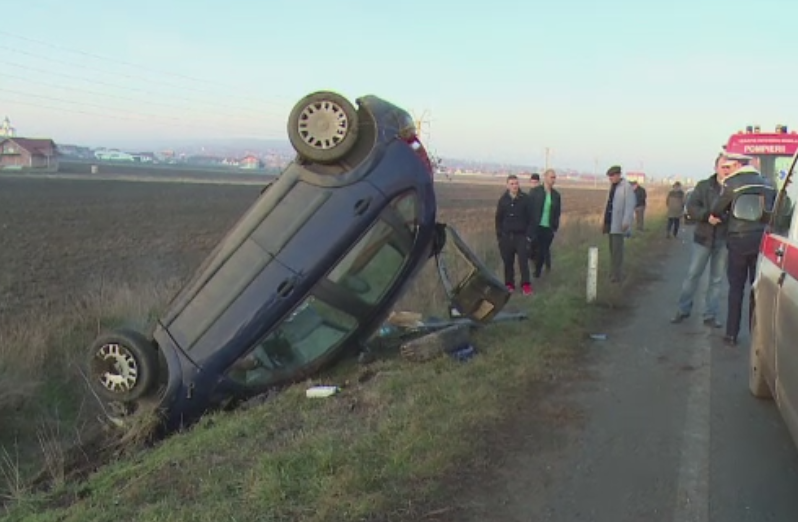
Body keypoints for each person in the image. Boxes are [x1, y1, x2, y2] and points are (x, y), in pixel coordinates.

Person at [709, 153, 776, 346]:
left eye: (730, 166)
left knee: (736, 289)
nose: (728, 169)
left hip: (739, 241)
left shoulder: (732, 183)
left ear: (738, 164)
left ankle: (732, 334)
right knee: (759, 290)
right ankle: (759, 336)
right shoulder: (767, 183)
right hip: (762, 241)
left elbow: (716, 209)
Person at [670, 154, 730, 328]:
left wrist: (724, 219)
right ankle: (683, 310)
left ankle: (710, 315)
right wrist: (706, 217)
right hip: (703, 237)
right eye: (722, 166)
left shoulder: (734, 188)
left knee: (717, 280)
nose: (725, 170)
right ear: (716, 167)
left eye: (728, 167)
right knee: (692, 275)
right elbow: (691, 207)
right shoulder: (704, 186)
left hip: (723, 238)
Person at [495, 174, 533, 295]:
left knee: (523, 262)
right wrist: (500, 237)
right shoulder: (503, 200)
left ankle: (526, 285)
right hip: (506, 237)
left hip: (521, 236)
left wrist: (528, 236)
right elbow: (498, 219)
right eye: (512, 184)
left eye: (516, 183)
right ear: (507, 186)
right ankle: (509, 285)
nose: (514, 186)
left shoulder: (525, 199)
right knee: (508, 262)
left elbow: (531, 219)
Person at [603, 165, 637, 282]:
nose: (610, 178)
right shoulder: (612, 187)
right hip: (610, 223)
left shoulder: (626, 187)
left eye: (612, 176)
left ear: (618, 175)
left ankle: (616, 276)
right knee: (612, 250)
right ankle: (613, 273)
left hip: (619, 224)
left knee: (618, 252)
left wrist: (626, 221)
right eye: (609, 176)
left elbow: (630, 205)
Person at [528, 168, 562, 278]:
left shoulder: (556, 195)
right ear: (545, 177)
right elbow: (528, 209)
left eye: (554, 177)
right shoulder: (535, 192)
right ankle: (534, 267)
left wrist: (554, 227)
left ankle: (537, 273)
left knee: (543, 251)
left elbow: (557, 212)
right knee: (533, 250)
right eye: (551, 177)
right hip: (536, 227)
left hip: (548, 228)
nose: (553, 180)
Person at [527, 173, 542, 264]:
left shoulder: (539, 193)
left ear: (538, 182)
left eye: (535, 182)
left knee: (536, 245)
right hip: (532, 223)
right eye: (532, 182)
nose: (533, 184)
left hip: (538, 223)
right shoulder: (532, 192)